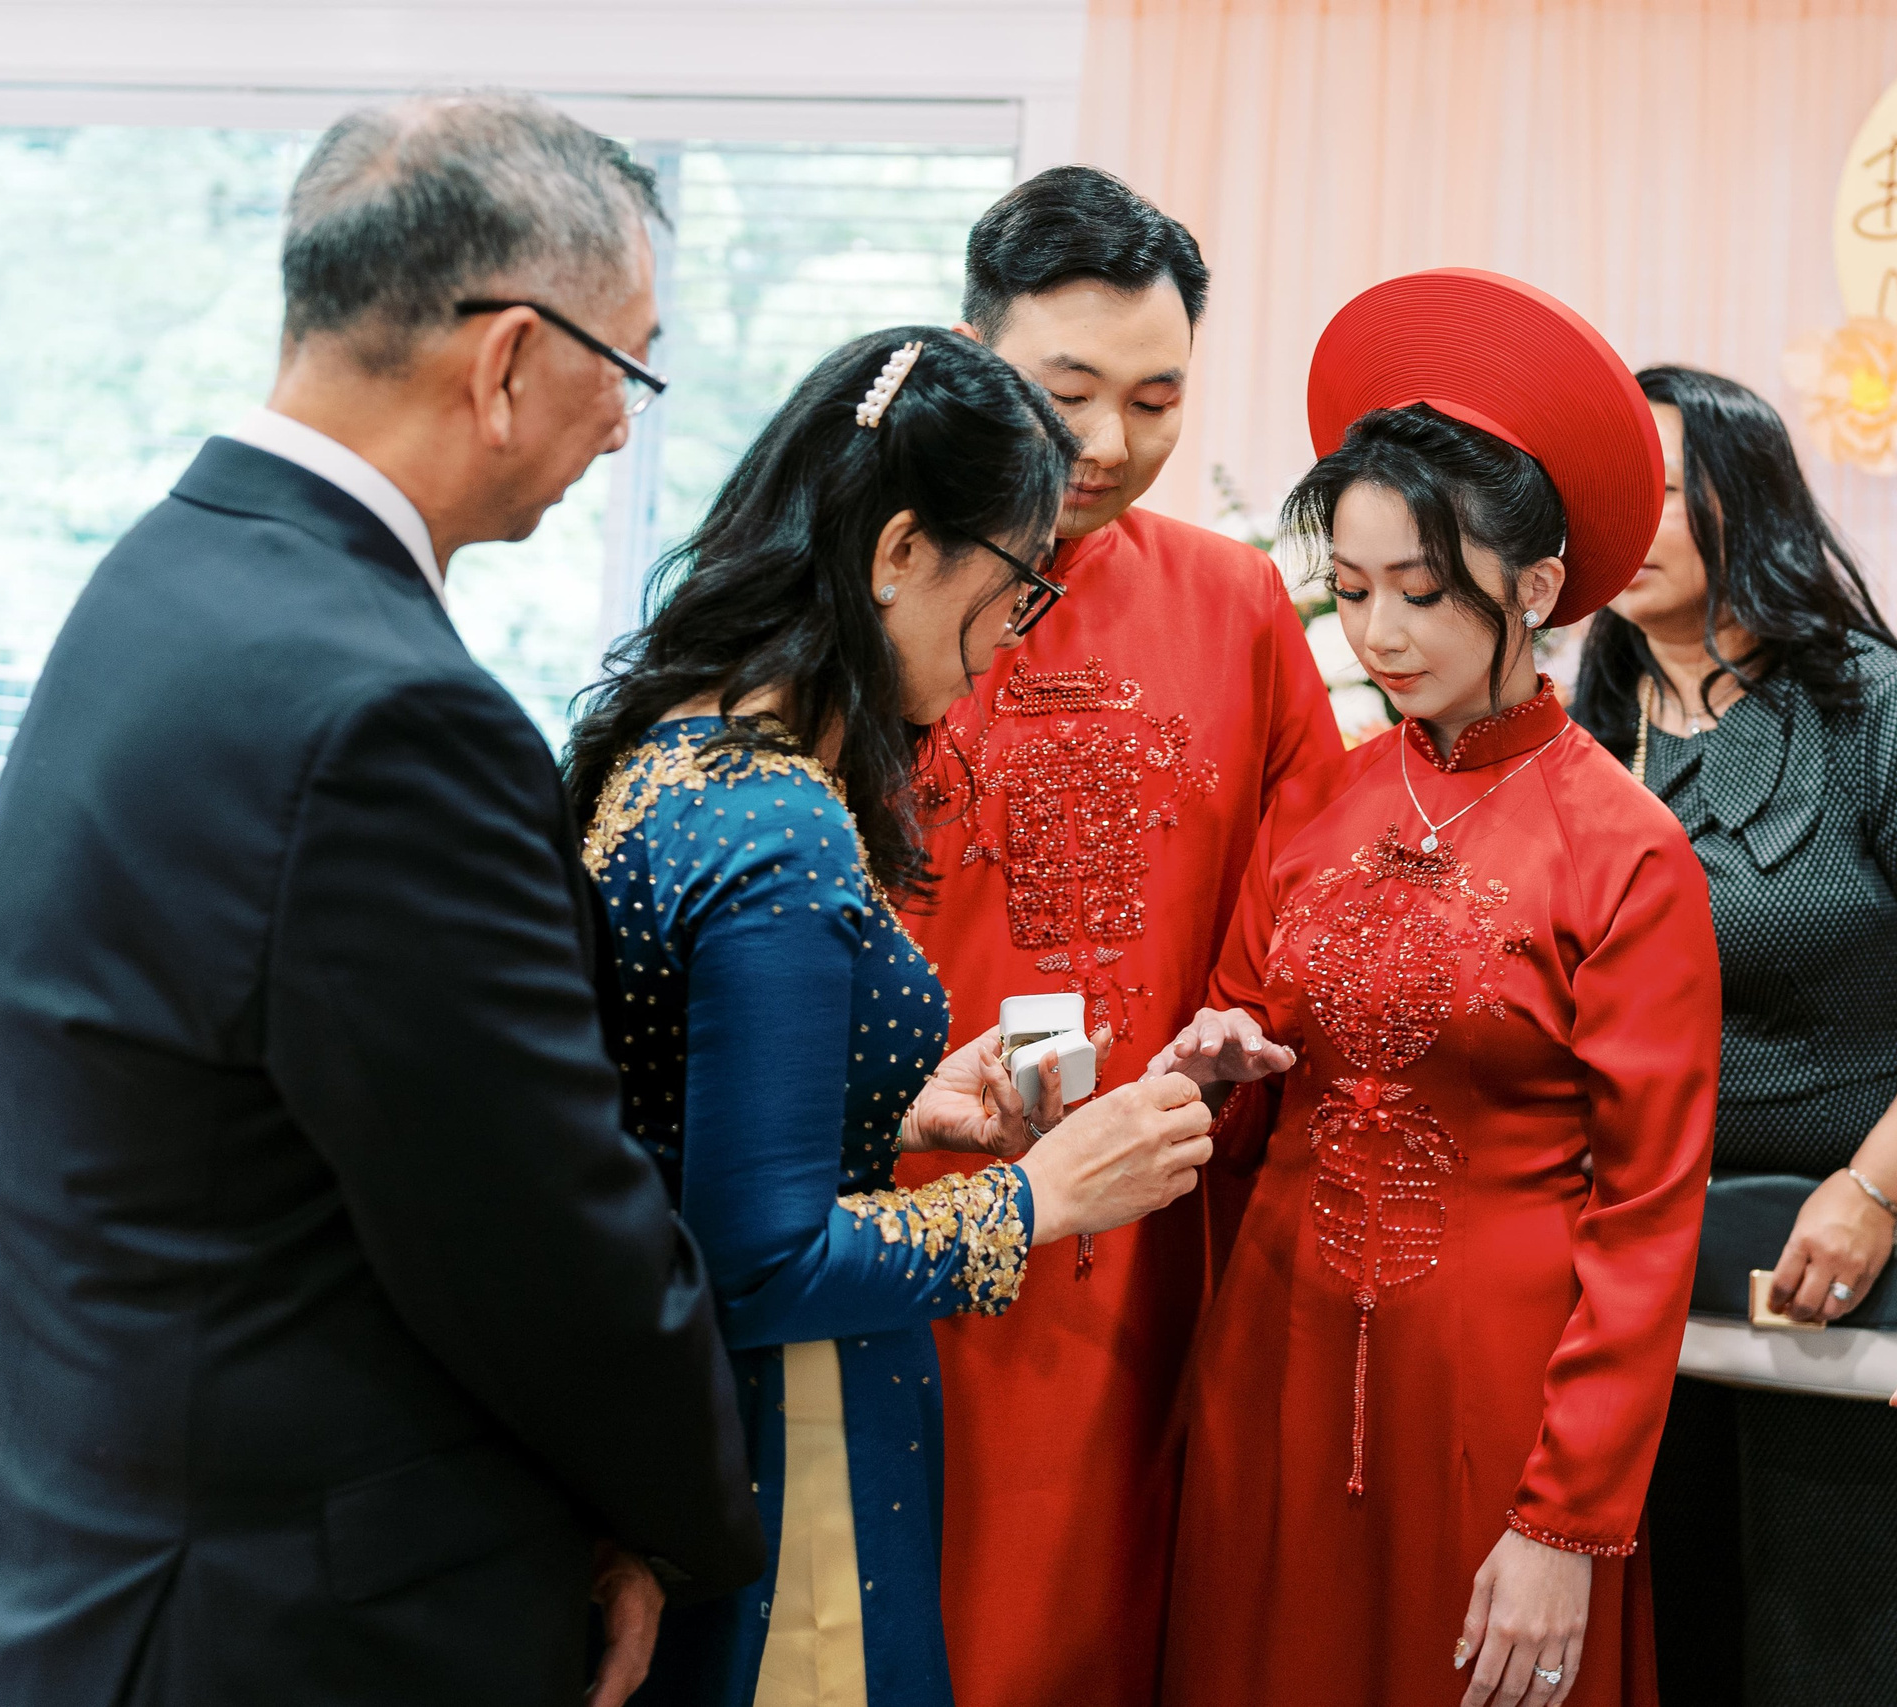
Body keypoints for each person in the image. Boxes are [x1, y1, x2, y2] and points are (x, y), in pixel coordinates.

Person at [0, 95, 765, 1706]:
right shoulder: (391, 711)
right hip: (291, 1616)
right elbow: (535, 1230)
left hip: (95, 1561)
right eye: (628, 365)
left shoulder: (158, 574)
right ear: (510, 359)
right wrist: (684, 1522)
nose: (622, 429)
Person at [565, 327, 1219, 1706]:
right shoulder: (783, 830)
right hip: (785, 1422)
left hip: (673, 1408)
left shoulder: (675, 749)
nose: (1011, 637)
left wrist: (898, 1108)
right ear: (902, 553)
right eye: (1015, 586)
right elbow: (761, 1259)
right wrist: (1042, 1195)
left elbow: (671, 1104)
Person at [1151, 269, 1721, 1707]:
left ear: (1534, 586)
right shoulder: (1319, 800)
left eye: (1421, 591)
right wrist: (1217, 1062)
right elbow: (1240, 1040)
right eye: (1351, 592)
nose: (1380, 634)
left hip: (1499, 1388)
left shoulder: (1626, 850)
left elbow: (1649, 1215)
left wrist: (1567, 1518)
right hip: (1274, 1351)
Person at [890, 165, 1344, 1705]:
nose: (1105, 442)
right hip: (896, 1192)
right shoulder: (876, 578)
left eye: (1155, 401)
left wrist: (1229, 1034)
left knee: (1093, 1603)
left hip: (1145, 1215)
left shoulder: (1234, 600)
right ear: (971, 351)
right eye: (1065, 390)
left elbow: (1304, 873)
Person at [1566, 365, 1897, 1704]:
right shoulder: (1581, 727)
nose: (1629, 521)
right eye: (1606, 491)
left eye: (1663, 488)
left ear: (1750, 500)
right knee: (1675, 1636)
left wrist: (1870, 1189)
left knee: (1838, 1645)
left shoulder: (1873, 708)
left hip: (1873, 1269)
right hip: (1652, 1276)